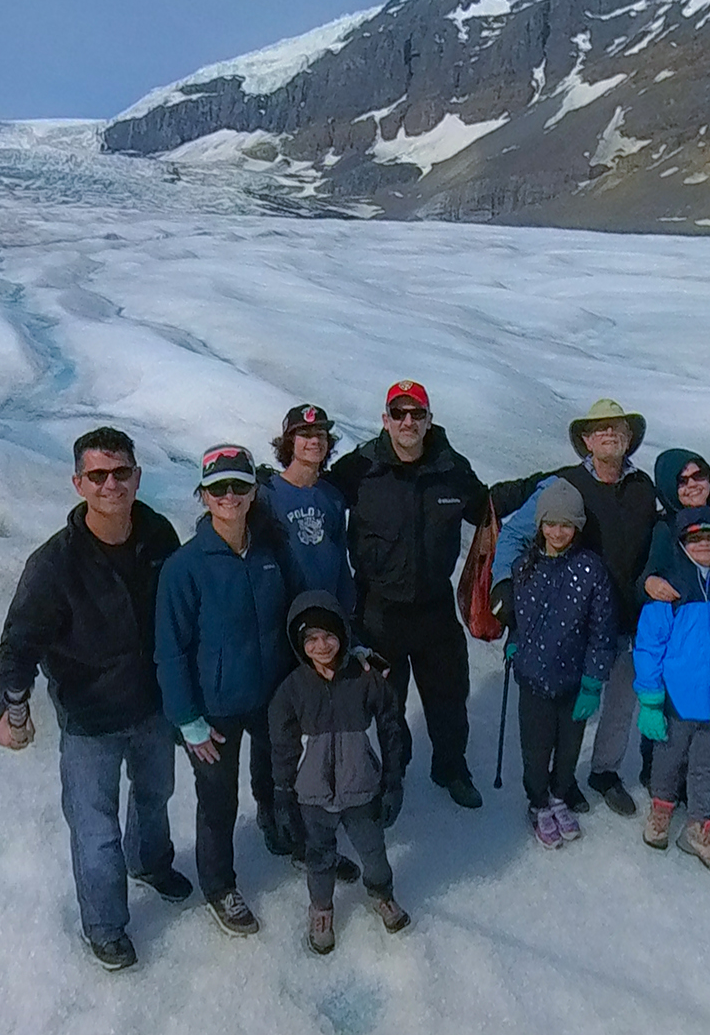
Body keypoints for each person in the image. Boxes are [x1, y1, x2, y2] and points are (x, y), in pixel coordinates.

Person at [0, 426, 190, 972]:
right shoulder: (54, 564)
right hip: (89, 717)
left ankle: (149, 862)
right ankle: (105, 925)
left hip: (152, 705)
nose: (111, 485)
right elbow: (19, 643)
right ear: (78, 483)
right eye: (97, 476)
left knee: (156, 795)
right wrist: (9, 709)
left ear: (137, 477)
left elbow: (181, 613)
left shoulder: (157, 534)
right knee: (96, 827)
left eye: (121, 473)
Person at [155, 443, 304, 936]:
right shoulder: (185, 566)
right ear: (204, 495)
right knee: (217, 803)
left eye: (239, 486)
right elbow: (170, 650)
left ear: (254, 491)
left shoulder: (269, 553)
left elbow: (294, 614)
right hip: (213, 712)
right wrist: (187, 720)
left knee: (274, 774)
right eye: (219, 488)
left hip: (269, 696)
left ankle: (276, 826)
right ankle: (219, 886)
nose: (230, 496)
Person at [489, 399, 659, 818]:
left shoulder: (643, 488)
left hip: (628, 617)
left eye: (617, 428)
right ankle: (558, 784)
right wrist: (503, 588)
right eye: (599, 429)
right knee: (570, 712)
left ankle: (603, 773)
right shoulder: (563, 486)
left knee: (619, 704)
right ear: (585, 439)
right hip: (571, 627)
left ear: (629, 438)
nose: (609, 435)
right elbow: (513, 537)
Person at [327, 380, 490, 810]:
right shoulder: (359, 468)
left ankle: (452, 768)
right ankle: (393, 775)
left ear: (429, 419)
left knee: (449, 697)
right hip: (380, 614)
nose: (407, 422)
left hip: (435, 610)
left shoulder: (451, 467)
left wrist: (544, 494)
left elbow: (486, 507)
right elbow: (315, 494)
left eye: (416, 413)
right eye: (398, 414)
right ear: (385, 420)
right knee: (386, 702)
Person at [269, 591, 412, 954]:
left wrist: (393, 781)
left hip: (361, 789)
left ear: (343, 635)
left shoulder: (366, 679)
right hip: (313, 795)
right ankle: (321, 909)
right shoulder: (292, 691)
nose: (322, 646)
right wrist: (283, 791)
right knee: (320, 856)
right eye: (312, 638)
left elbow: (391, 728)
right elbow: (283, 745)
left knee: (374, 851)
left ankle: (382, 894)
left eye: (329, 636)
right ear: (300, 643)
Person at [633, 507, 710, 874]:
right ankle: (661, 810)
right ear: (681, 544)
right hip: (677, 701)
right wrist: (651, 700)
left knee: (706, 767)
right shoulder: (669, 588)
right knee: (668, 759)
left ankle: (699, 826)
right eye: (695, 539)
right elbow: (649, 646)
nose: (703, 545)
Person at [504, 479, 618, 849]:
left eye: (566, 525)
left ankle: (558, 795)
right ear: (540, 526)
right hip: (534, 678)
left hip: (573, 682)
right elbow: (520, 617)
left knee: (568, 749)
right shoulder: (525, 567)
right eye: (551, 524)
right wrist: (514, 643)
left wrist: (593, 681)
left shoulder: (591, 571)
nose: (557, 532)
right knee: (536, 749)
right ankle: (538, 803)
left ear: (577, 528)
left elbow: (602, 631)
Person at [636, 448, 710, 789]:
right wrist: (648, 583)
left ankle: (695, 783)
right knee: (670, 724)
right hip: (676, 640)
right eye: (682, 480)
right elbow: (644, 575)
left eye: (700, 475)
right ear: (669, 488)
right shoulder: (664, 529)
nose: (693, 485)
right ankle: (659, 783)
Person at [257, 404, 357, 614]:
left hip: (326, 614)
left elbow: (340, 562)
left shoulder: (333, 497)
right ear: (289, 442)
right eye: (305, 434)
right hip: (283, 612)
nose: (315, 441)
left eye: (320, 434)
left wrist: (347, 610)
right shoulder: (266, 493)